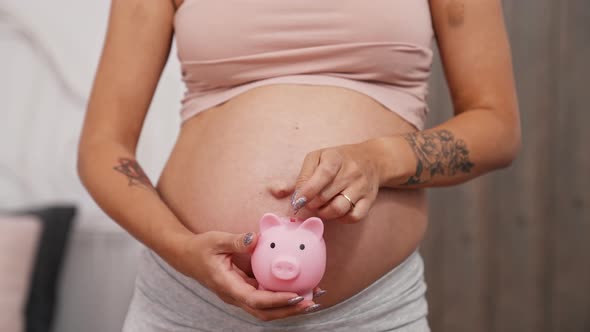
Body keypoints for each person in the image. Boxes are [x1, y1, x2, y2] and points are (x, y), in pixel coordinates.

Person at [77, 0, 520, 331]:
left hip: (371, 313)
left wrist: (379, 160)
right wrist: (182, 251)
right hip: (187, 303)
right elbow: (103, 147)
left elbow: (497, 126)